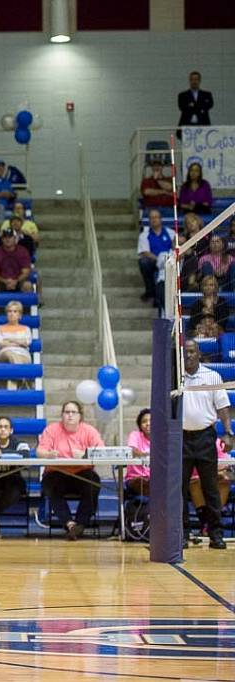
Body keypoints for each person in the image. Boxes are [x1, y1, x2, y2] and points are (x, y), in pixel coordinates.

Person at [179, 340, 233, 549]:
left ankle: (215, 535)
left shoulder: (212, 376)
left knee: (210, 488)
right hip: (180, 438)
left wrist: (228, 433)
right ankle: (182, 534)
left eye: (192, 351)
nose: (189, 355)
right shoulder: (176, 376)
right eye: (185, 352)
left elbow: (223, 407)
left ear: (199, 354)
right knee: (180, 489)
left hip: (205, 438)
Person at [36, 402, 105, 541]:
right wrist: (48, 455)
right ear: (62, 415)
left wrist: (85, 454)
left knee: (94, 483)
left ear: (80, 416)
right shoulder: (52, 430)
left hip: (82, 473)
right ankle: (70, 524)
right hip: (57, 473)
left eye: (73, 412)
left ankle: (80, 524)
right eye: (67, 412)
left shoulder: (89, 431)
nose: (70, 415)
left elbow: (102, 451)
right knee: (49, 485)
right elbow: (39, 451)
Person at [136, 209, 177, 304]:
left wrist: (167, 259)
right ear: (149, 220)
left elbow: (175, 247)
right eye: (151, 218)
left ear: (160, 219)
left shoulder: (170, 232)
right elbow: (145, 252)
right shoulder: (144, 234)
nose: (154, 219)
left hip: (169, 260)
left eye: (156, 217)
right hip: (154, 260)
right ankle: (151, 292)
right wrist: (160, 260)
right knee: (143, 262)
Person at [0, 301, 32, 389]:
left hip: (23, 356)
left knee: (13, 362)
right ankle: (22, 378)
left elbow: (26, 343)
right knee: (10, 353)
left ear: (20, 315)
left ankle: (13, 387)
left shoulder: (26, 328)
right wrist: (18, 342)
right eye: (9, 311)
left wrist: (9, 340)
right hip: (2, 355)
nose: (11, 314)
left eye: (15, 311)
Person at [0, 228, 33, 293]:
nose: (7, 239)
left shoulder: (23, 251)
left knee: (27, 285)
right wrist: (5, 281)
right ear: (2, 239)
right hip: (1, 282)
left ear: (15, 239)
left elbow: (26, 272)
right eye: (5, 237)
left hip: (19, 282)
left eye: (10, 237)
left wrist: (16, 281)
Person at [125, 409, 152, 497]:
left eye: (151, 421)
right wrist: (146, 455)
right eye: (144, 421)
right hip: (136, 478)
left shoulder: (162, 438)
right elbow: (132, 451)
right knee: (143, 483)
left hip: (155, 479)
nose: (148, 423)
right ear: (140, 425)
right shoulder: (135, 435)